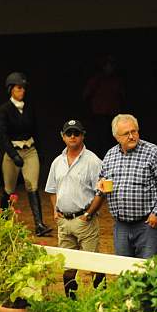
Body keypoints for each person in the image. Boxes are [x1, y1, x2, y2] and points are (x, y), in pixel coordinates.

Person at [98, 114, 157, 258]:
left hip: (148, 224)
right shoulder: (110, 155)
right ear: (116, 136)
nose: (131, 136)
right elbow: (101, 179)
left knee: (149, 271)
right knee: (123, 270)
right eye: (126, 133)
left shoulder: (153, 152)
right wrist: (101, 185)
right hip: (121, 225)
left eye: (134, 131)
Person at [45, 119, 105, 298]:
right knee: (68, 265)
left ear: (83, 135)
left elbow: (101, 191)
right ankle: (71, 301)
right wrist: (55, 211)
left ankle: (101, 301)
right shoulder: (57, 162)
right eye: (69, 133)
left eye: (76, 133)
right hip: (64, 221)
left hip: (84, 221)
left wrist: (88, 214)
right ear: (62, 136)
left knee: (93, 263)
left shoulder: (93, 161)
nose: (72, 136)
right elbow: (51, 189)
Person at [0, 72, 52, 236]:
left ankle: (39, 224)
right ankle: (4, 224)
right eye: (19, 88)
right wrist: (13, 155)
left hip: (29, 150)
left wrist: (40, 152)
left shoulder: (29, 107)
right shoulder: (3, 110)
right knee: (9, 188)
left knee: (33, 186)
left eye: (23, 88)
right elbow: (2, 136)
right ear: (11, 89)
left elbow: (36, 131)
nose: (22, 91)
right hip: (12, 152)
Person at [82, 55, 125, 158]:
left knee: (112, 137)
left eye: (111, 65)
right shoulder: (96, 79)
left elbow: (122, 96)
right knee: (100, 138)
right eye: (108, 65)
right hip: (99, 113)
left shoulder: (116, 80)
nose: (110, 68)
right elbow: (86, 94)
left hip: (113, 114)